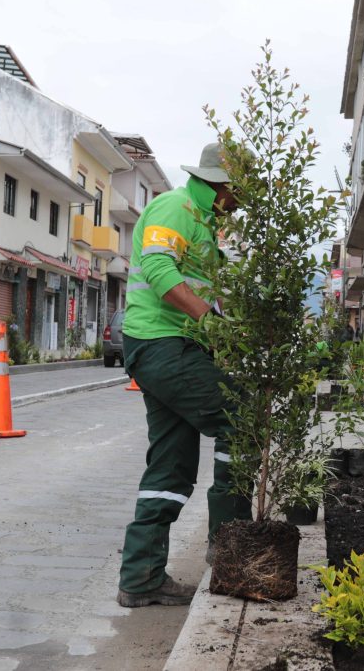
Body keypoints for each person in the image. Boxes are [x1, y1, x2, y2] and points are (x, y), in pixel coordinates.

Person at [116, 143, 251, 607]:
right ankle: (229, 545)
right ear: (221, 185)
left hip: (168, 346)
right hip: (162, 344)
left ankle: (140, 578)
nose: (239, 203)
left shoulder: (205, 223)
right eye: (238, 192)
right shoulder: (176, 207)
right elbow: (157, 268)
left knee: (171, 464)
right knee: (243, 421)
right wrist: (211, 324)